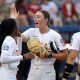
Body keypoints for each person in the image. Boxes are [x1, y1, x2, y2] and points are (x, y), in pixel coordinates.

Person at [21, 10, 68, 80]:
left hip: (48, 73)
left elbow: (65, 56)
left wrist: (50, 55)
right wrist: (13, 20)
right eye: (35, 17)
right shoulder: (31, 31)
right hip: (33, 72)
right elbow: (17, 38)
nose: (35, 19)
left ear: (46, 20)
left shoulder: (55, 35)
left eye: (38, 17)